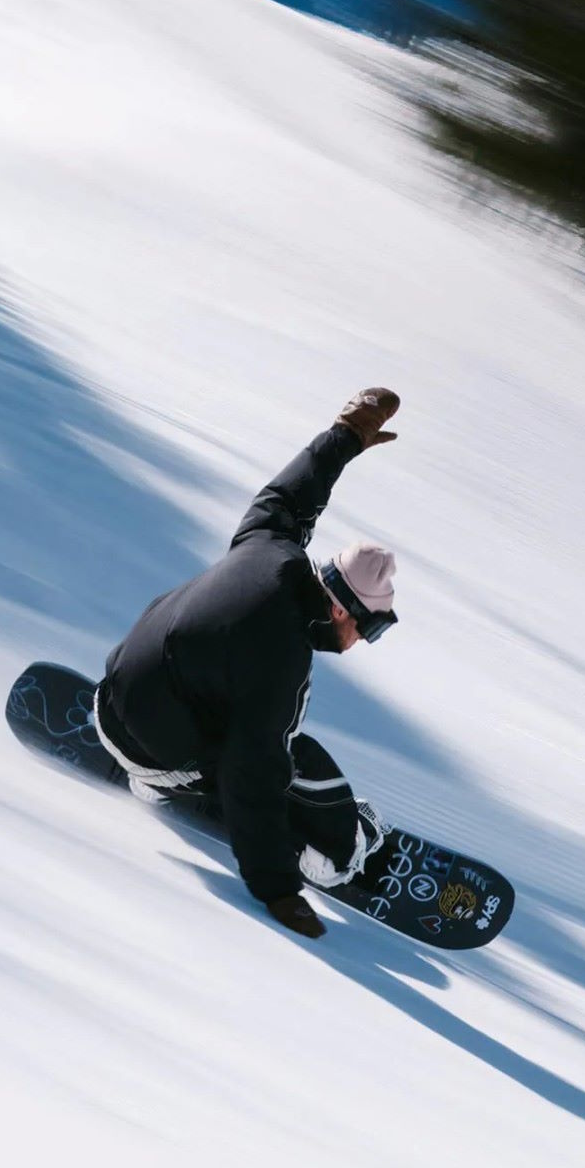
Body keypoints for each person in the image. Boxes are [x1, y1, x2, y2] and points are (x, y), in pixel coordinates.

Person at [93, 389, 402, 938]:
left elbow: (292, 492)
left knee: (242, 724)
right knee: (290, 756)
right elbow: (252, 776)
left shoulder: (269, 545)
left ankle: (163, 774)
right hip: (151, 754)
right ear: (340, 608)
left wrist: (346, 435)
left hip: (108, 697)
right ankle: (338, 854)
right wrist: (278, 891)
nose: (362, 641)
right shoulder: (282, 661)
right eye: (369, 628)